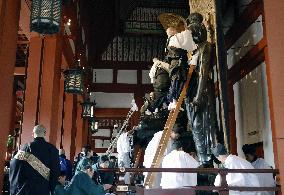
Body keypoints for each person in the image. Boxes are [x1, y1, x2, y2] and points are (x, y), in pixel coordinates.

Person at [185, 12, 218, 163]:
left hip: (203, 89)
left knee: (205, 124)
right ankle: (202, 158)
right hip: (195, 90)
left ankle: (208, 159)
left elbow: (204, 72)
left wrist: (198, 97)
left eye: (194, 32)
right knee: (196, 125)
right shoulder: (195, 52)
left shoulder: (206, 47)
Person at [9, 124, 60, 195]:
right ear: (45, 133)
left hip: (27, 189)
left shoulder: (25, 148)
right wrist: (51, 188)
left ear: (32, 134)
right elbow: (56, 171)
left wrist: (15, 188)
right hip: (43, 189)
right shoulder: (53, 150)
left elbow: (14, 165)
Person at [143, 123, 186, 188]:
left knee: (159, 183)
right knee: (153, 183)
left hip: (160, 162)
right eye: (177, 135)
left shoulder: (170, 138)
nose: (178, 137)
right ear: (172, 131)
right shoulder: (162, 135)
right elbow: (162, 152)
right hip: (154, 160)